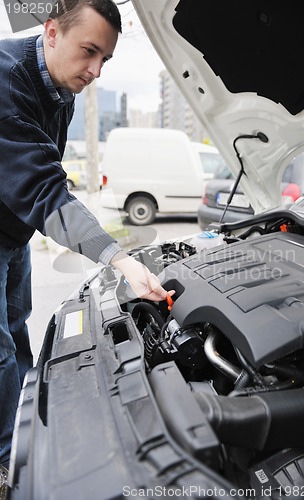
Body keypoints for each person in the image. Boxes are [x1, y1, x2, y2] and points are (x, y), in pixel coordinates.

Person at [0, 0, 173, 476]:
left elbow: (45, 165)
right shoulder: (5, 79)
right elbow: (40, 188)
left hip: (13, 231)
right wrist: (120, 259)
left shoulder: (62, 82)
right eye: (89, 52)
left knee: (18, 335)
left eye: (106, 60)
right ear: (51, 32)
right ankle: (8, 464)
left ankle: (27, 423)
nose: (96, 71)